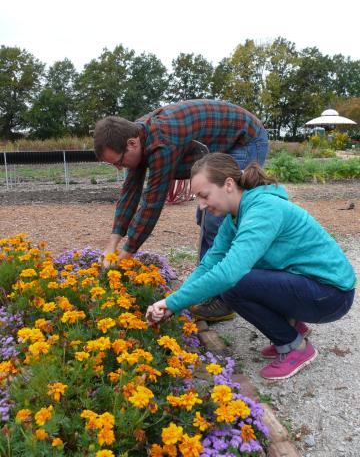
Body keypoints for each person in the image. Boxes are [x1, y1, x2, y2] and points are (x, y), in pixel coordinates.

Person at [146, 153, 356, 380]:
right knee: (237, 278)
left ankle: (295, 346)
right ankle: (292, 327)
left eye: (204, 195)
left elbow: (228, 273)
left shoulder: (263, 209)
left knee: (234, 285)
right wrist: (174, 300)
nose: (202, 205)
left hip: (332, 295)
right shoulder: (234, 218)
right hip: (310, 285)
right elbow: (209, 263)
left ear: (228, 184)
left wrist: (173, 303)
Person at [93, 99, 268, 322]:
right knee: (205, 216)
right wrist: (112, 245)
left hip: (245, 139)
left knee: (218, 218)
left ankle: (223, 300)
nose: (119, 168)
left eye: (118, 162)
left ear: (131, 144)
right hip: (217, 143)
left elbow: (152, 203)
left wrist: (126, 255)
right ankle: (206, 288)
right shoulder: (135, 134)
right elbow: (130, 192)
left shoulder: (161, 142)